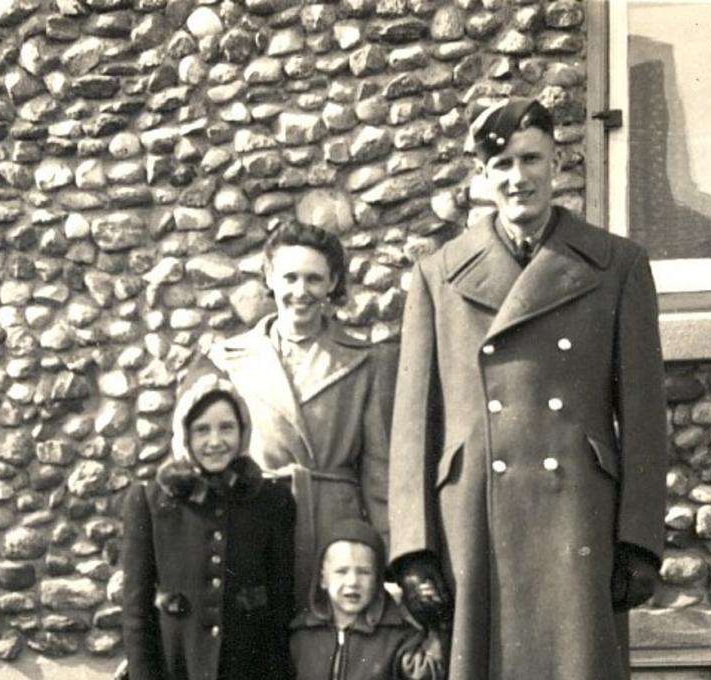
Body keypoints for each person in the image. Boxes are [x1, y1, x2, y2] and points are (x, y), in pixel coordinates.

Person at [387, 97, 669, 680]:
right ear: (482, 176)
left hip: (577, 517)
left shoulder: (615, 265)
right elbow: (414, 423)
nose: (519, 178)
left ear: (556, 163)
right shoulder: (438, 276)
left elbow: (643, 414)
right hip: (473, 520)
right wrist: (413, 549)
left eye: (531, 159)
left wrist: (639, 539)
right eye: (502, 165)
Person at [209, 223, 394, 603]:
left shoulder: (365, 362)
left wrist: (390, 560)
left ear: (333, 283)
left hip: (334, 532)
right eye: (290, 278)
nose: (300, 291)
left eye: (314, 279)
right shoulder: (229, 360)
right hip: (255, 523)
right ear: (269, 277)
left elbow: (379, 474)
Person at [119, 361, 295, 680]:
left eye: (226, 428)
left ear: (242, 431)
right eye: (202, 430)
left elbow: (280, 609)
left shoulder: (272, 501)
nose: (215, 441)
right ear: (185, 434)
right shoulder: (150, 502)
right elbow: (136, 612)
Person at [290, 519, 444, 680]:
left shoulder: (398, 638)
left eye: (364, 572)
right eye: (341, 571)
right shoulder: (301, 636)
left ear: (377, 580)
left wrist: (437, 623)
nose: (353, 582)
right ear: (323, 578)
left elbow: (428, 674)